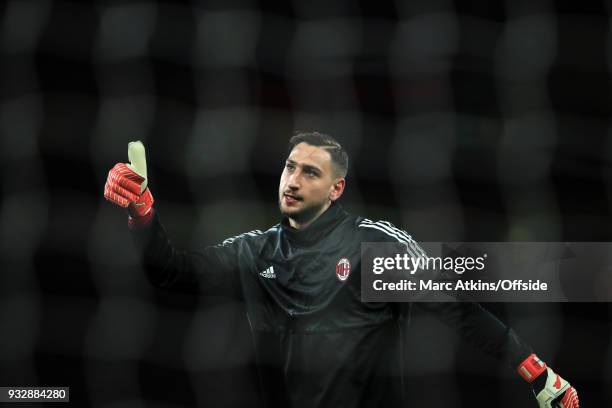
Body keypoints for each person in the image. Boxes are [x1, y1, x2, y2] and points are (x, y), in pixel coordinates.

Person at [104, 132, 579, 408]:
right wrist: (142, 213)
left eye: (310, 172)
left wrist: (538, 373)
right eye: (290, 167)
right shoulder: (253, 252)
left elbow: (458, 308)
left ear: (337, 189)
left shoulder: (373, 246)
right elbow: (170, 272)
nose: (292, 180)